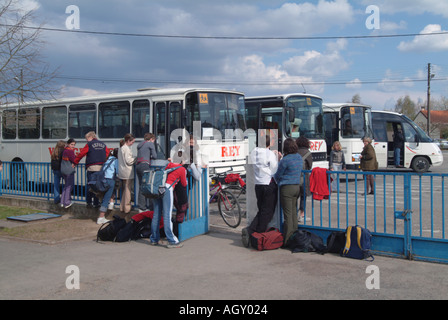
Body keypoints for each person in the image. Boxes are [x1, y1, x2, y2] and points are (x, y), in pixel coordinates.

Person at [242, 135, 279, 248]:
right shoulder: (270, 154)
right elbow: (274, 169)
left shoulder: (254, 152)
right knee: (267, 211)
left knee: (262, 209)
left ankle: (252, 230)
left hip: (258, 184)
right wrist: (276, 156)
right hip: (268, 184)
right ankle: (256, 234)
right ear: (269, 144)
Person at [150, 161, 187, 248]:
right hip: (167, 189)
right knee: (167, 215)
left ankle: (154, 238)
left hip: (158, 188)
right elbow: (184, 183)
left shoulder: (168, 165)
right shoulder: (182, 169)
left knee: (156, 214)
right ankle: (172, 240)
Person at [274, 138, 303, 246]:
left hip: (287, 188)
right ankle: (295, 236)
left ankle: (287, 240)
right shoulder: (299, 157)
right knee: (294, 214)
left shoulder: (285, 160)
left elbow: (278, 174)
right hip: (297, 187)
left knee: (288, 215)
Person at [74, 131, 108, 208]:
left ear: (90, 137)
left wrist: (75, 162)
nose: (86, 140)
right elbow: (107, 154)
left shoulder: (89, 144)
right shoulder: (103, 144)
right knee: (98, 186)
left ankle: (89, 202)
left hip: (91, 167)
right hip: (101, 168)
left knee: (90, 185)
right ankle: (97, 203)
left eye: (87, 138)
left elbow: (81, 154)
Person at [136, 133, 157, 212]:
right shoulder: (150, 144)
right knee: (148, 185)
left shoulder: (140, 145)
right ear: (151, 139)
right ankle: (151, 207)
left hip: (138, 166)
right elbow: (155, 156)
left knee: (142, 186)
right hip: (145, 165)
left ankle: (141, 207)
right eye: (153, 140)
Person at [97, 148, 119, 225]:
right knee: (106, 199)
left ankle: (110, 204)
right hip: (110, 180)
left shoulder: (108, 159)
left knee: (104, 197)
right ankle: (101, 217)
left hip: (103, 179)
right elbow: (117, 171)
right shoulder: (116, 160)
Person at [118, 133, 136, 216]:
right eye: (132, 142)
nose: (133, 143)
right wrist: (135, 158)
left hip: (122, 171)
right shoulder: (126, 149)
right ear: (128, 141)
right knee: (128, 190)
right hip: (128, 172)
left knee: (125, 190)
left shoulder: (121, 148)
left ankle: (122, 207)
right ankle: (127, 207)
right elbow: (129, 161)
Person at [296, 136, 313, 222]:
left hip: (295, 177)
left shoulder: (295, 152)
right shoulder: (308, 153)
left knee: (295, 196)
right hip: (304, 177)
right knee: (303, 197)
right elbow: (310, 166)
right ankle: (302, 214)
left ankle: (294, 214)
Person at [60, 139, 77, 209]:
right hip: (69, 171)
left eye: (74, 145)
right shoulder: (70, 151)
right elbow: (74, 160)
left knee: (66, 186)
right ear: (68, 144)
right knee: (69, 186)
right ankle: (67, 202)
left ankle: (62, 202)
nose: (73, 146)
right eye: (71, 144)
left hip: (63, 170)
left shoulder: (64, 150)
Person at [50, 140, 66, 204]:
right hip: (62, 169)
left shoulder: (54, 151)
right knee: (67, 184)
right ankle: (65, 198)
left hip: (55, 170)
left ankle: (56, 199)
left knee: (56, 185)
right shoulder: (64, 151)